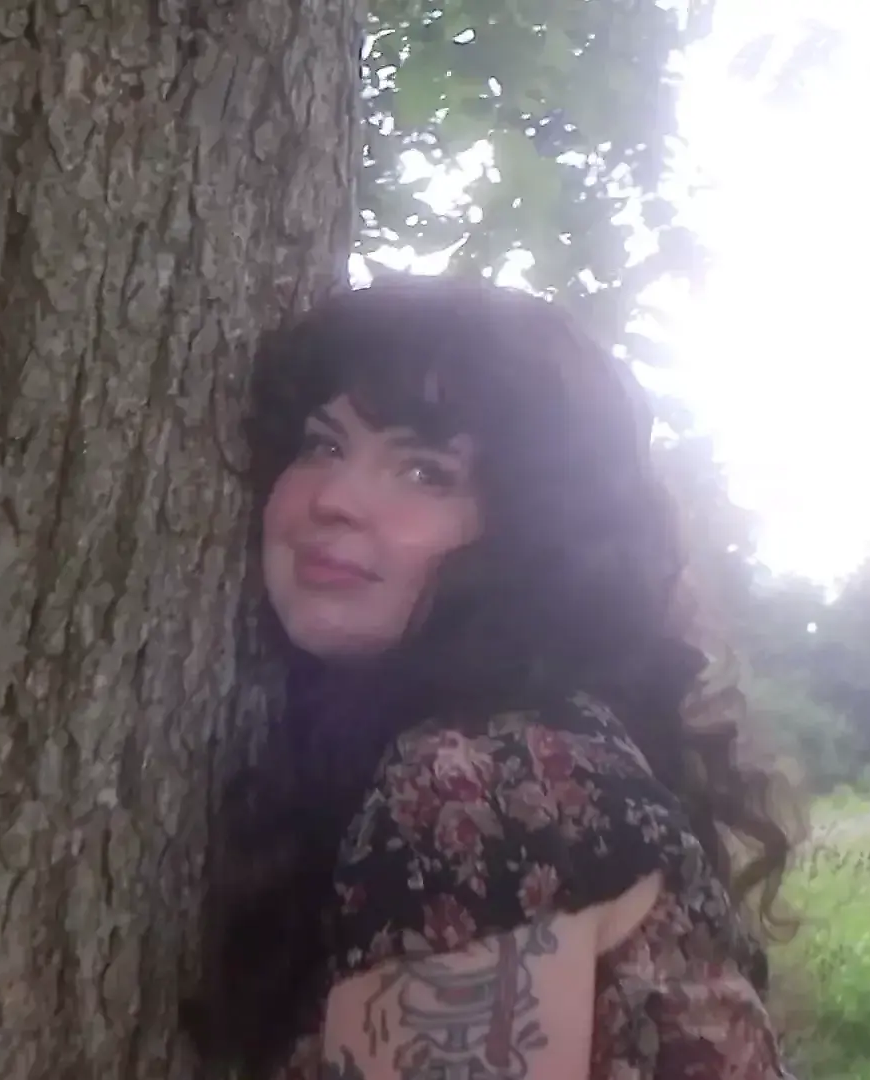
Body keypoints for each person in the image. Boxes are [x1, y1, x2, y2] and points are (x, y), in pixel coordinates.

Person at [184, 276, 803, 1080]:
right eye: (322, 445)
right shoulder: (539, 750)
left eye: (425, 473)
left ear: (530, 538)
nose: (334, 499)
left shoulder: (480, 780)